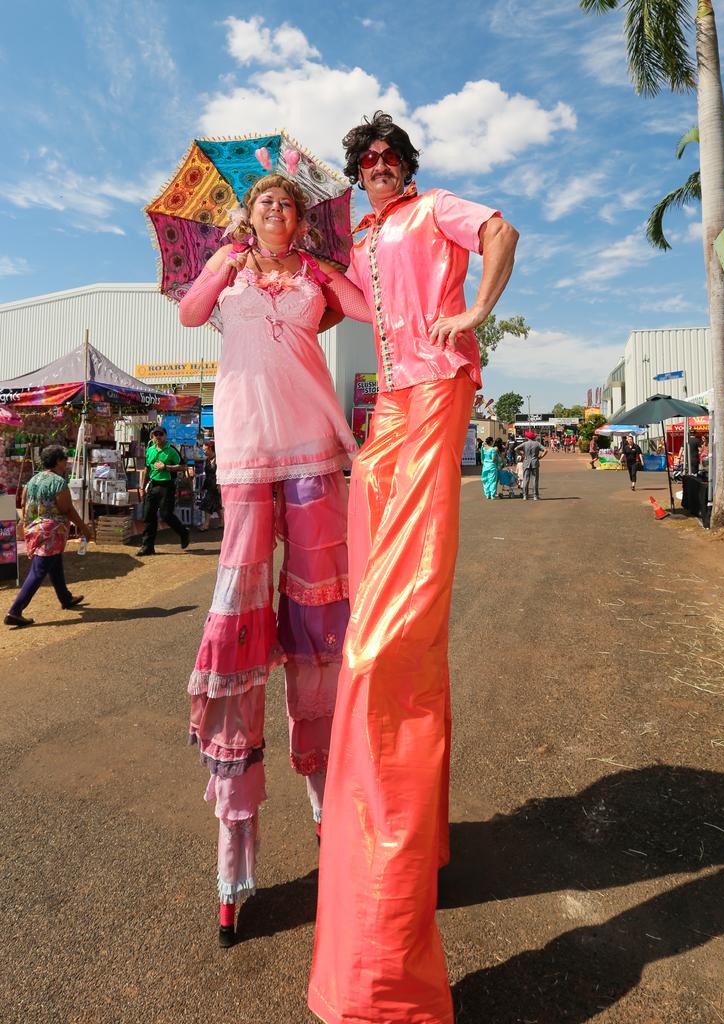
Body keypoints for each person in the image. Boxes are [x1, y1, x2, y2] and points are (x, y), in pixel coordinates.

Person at [309, 111, 519, 1024]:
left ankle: (390, 860)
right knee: (372, 592)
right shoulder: (361, 235)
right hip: (388, 403)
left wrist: (477, 309)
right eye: (367, 161)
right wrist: (279, 260)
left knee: (386, 637)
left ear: (409, 165)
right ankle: (421, 833)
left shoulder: (437, 209)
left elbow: (503, 230)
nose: (379, 167)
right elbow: (354, 303)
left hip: (436, 386)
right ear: (357, 174)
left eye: (389, 157)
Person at [178, 173, 370, 948]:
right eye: (266, 204)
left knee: (321, 634)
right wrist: (223, 260)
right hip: (248, 457)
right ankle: (234, 865)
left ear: (300, 219)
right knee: (241, 635)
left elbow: (367, 311)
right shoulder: (226, 274)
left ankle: (334, 826)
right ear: (249, 215)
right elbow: (190, 314)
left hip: (315, 454)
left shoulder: (316, 280)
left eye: (288, 205)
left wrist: (331, 271)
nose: (278, 214)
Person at [4, 445, 93, 627]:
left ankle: (65, 598)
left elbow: (23, 502)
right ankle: (15, 610)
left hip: (35, 529)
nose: (66, 464)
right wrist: (84, 527)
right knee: (39, 570)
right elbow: (66, 509)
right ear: (58, 461)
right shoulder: (58, 482)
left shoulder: (32, 480)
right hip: (51, 531)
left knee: (55, 563)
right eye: (64, 460)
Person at [137, 426, 189, 555]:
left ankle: (183, 532)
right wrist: (142, 487)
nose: (158, 437)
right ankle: (147, 546)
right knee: (148, 515)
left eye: (160, 434)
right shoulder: (150, 450)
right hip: (153, 485)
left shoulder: (171, 450)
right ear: (152, 437)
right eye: (155, 435)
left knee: (166, 515)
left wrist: (166, 467)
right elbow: (146, 469)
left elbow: (183, 467)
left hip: (167, 486)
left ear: (165, 436)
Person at [199, 441, 222, 531]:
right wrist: (204, 487)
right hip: (210, 485)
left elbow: (221, 473)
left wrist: (220, 484)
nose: (204, 452)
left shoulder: (218, 459)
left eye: (205, 450)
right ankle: (222, 521)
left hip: (216, 485)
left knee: (207, 503)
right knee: (216, 505)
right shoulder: (208, 459)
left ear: (211, 449)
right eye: (203, 450)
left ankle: (206, 524)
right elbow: (208, 475)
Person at [519, 430, 547, 500]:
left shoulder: (525, 444)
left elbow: (515, 449)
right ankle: (535, 496)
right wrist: (541, 456)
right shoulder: (537, 443)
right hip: (535, 462)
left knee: (526, 479)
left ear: (527, 437)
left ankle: (525, 495)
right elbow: (545, 450)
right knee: (535, 480)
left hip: (526, 462)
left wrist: (522, 455)